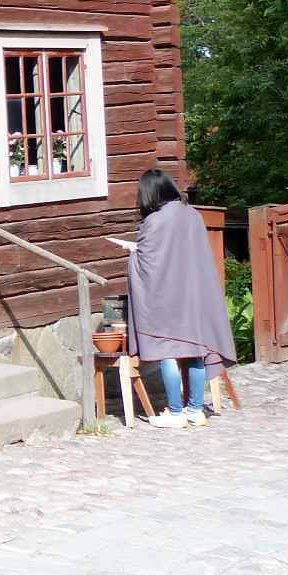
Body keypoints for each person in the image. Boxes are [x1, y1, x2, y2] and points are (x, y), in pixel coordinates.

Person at [127, 169, 236, 428]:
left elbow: (147, 262)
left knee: (169, 352)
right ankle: (195, 410)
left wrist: (133, 253)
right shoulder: (194, 216)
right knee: (196, 352)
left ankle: (176, 413)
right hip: (194, 298)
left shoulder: (156, 221)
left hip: (167, 301)